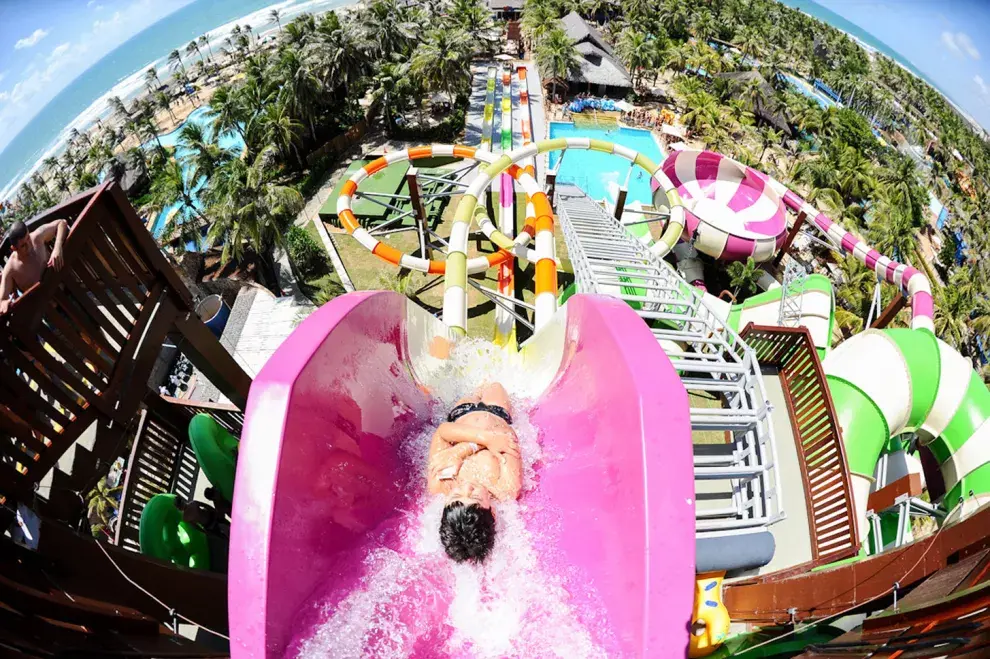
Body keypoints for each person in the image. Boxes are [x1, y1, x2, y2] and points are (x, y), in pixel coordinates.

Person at [427, 382, 522, 563]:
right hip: (496, 413)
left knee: (474, 387)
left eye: (457, 495)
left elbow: (442, 431)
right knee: (495, 385)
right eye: (476, 497)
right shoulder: (507, 487)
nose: (467, 487)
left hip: (461, 413)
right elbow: (507, 437)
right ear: (492, 511)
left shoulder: (440, 483)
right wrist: (473, 445)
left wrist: (460, 450)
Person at [0, 219, 69, 314]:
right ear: (14, 248)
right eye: (23, 245)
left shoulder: (36, 237)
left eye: (28, 238)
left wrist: (57, 247)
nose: (29, 245)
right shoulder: (10, 268)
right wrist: (5, 303)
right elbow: (2, 299)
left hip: (66, 291)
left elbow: (61, 223)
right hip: (49, 312)